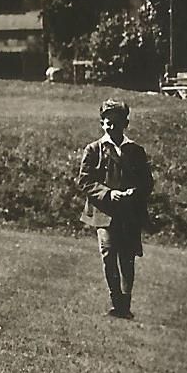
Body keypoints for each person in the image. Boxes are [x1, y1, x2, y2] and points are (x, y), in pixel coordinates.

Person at [78, 98, 154, 318]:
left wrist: (133, 193)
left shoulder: (136, 151)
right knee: (108, 254)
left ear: (126, 124)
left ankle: (125, 304)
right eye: (107, 122)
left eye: (117, 123)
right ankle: (116, 300)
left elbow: (147, 182)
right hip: (104, 213)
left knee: (127, 258)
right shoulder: (94, 150)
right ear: (102, 123)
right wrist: (108, 193)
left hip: (129, 214)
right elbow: (85, 181)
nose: (112, 127)